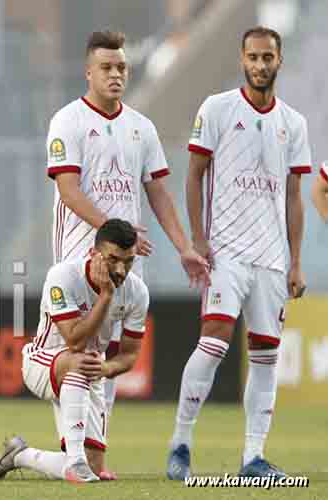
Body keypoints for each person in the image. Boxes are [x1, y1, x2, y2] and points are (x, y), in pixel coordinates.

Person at [45, 30, 209, 476]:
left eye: (121, 68)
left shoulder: (142, 127)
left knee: (110, 356)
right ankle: (76, 454)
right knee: (77, 351)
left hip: (126, 259)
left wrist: (184, 248)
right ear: (88, 72)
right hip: (80, 256)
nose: (116, 74)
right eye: (107, 68)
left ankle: (84, 456)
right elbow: (68, 189)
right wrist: (115, 232)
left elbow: (158, 192)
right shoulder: (68, 121)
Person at [166, 26, 310, 481]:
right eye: (253, 57)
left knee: (266, 357)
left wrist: (296, 260)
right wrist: (197, 239)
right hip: (226, 252)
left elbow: (293, 196)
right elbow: (193, 175)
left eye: (268, 57)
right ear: (242, 59)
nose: (261, 65)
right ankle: (181, 444)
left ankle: (253, 458)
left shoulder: (295, 123)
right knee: (212, 345)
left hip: (271, 260)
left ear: (279, 61)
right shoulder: (218, 108)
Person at [0, 219, 149, 483]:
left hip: (89, 370)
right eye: (113, 259)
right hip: (43, 361)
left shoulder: (137, 292)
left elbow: (130, 354)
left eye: (129, 261)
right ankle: (75, 462)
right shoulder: (63, 276)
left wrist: (108, 368)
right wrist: (106, 296)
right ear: (94, 253)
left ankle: (19, 455)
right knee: (80, 359)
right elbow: (74, 340)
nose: (121, 270)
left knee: (96, 468)